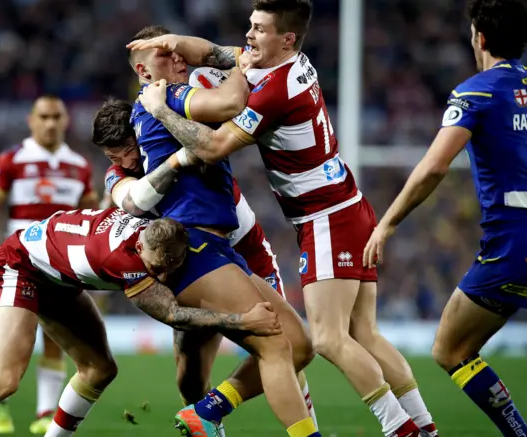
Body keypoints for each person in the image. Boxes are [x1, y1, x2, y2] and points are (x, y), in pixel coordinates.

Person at [129, 1, 437, 436]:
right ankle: (425, 426)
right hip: (347, 204)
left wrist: (160, 108)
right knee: (364, 333)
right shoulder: (283, 63)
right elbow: (215, 51)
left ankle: (399, 430)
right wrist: (173, 42)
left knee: (327, 340)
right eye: (250, 26)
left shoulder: (274, 89)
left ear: (286, 38)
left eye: (259, 29)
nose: (249, 36)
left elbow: (214, 147)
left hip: (325, 217)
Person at [0, 208, 282, 437]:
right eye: (156, 269)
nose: (160, 275)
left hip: (58, 275)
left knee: (99, 370)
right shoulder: (125, 261)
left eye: (168, 269)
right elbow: (173, 315)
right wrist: (241, 320)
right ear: (140, 249)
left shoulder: (150, 234)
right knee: (3, 381)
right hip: (19, 266)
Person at [124, 24, 318, 437]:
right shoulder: (167, 96)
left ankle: (208, 410)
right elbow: (232, 102)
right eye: (164, 54)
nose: (177, 58)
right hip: (194, 245)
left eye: (177, 51)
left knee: (300, 345)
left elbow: (211, 53)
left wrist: (201, 50)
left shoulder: (164, 101)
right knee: (274, 346)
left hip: (216, 243)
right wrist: (244, 64)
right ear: (143, 70)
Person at [363, 1, 527, 436]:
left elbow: (435, 166)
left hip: (514, 245)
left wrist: (388, 222)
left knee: (451, 348)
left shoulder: (477, 92)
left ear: (480, 38)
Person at [0, 95, 99, 435]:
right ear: (31, 120)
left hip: (61, 265)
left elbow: (90, 213)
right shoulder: (13, 159)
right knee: (10, 339)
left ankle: (44, 413)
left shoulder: (79, 166)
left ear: (65, 120)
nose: (51, 123)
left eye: (56, 117)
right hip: (19, 262)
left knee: (56, 339)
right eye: (44, 117)